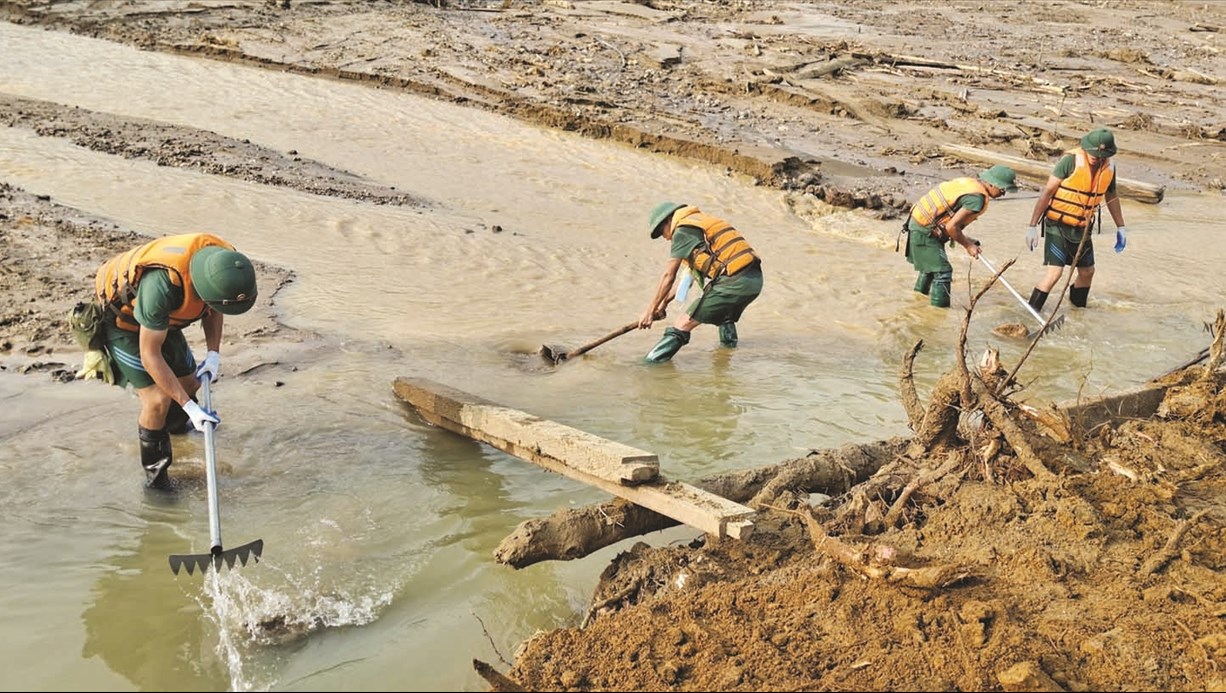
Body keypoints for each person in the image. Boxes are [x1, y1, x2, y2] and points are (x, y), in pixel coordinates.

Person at [92, 233, 258, 490]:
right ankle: (156, 481)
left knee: (189, 384)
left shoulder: (225, 265)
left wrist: (213, 354)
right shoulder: (161, 287)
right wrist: (188, 406)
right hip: (124, 323)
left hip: (163, 320)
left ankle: (177, 432)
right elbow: (150, 354)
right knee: (158, 399)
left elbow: (213, 308)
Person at [639, 202, 763, 363]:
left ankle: (649, 364)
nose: (665, 237)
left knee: (683, 323)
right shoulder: (699, 225)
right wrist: (662, 305)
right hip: (753, 280)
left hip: (734, 282)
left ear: (669, 220)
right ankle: (727, 355)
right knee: (724, 315)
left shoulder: (682, 231)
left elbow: (668, 276)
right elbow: (684, 283)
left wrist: (649, 312)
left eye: (661, 231)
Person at [1025, 127, 1129, 312]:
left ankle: (1078, 311)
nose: (1099, 160)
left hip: (1082, 227)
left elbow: (1112, 196)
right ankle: (1032, 312)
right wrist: (1032, 226)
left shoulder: (1109, 167)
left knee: (1088, 272)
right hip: (1058, 224)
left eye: (1103, 156)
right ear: (1086, 149)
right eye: (1095, 156)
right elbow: (1047, 192)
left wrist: (1121, 227)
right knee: (1055, 273)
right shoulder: (1069, 161)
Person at [904, 165, 1018, 308]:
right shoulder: (977, 199)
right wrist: (968, 245)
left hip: (918, 224)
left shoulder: (971, 184)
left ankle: (918, 304)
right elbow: (951, 227)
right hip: (925, 231)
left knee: (930, 269)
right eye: (1002, 189)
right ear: (991, 183)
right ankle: (939, 314)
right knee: (943, 272)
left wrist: (967, 239)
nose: (1003, 194)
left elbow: (950, 224)